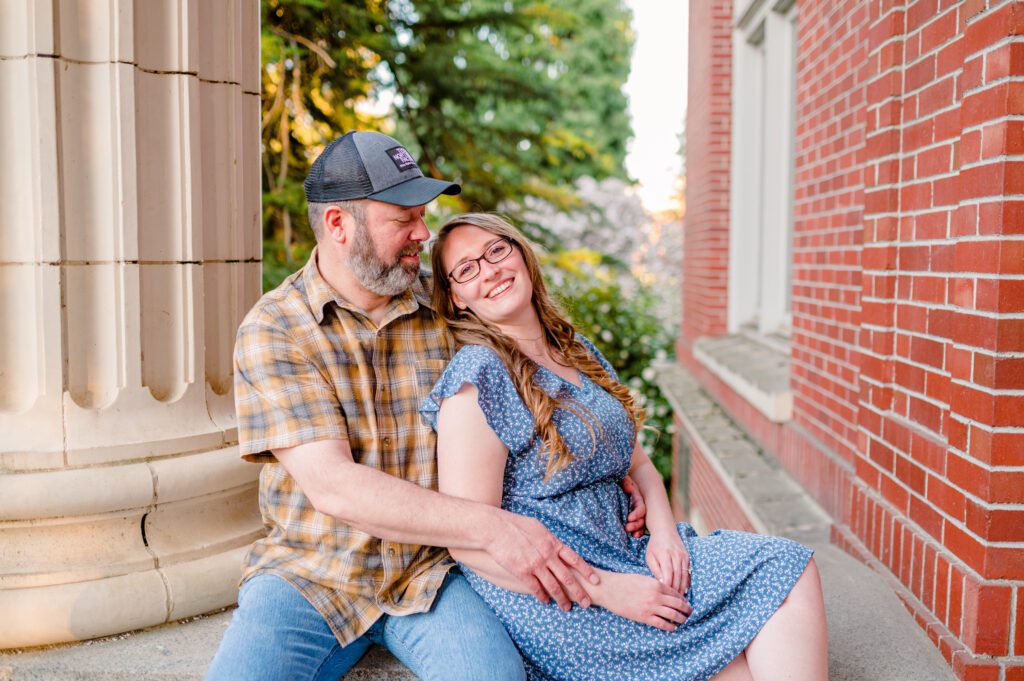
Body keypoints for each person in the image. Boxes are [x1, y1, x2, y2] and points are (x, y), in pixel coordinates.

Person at [204, 132, 649, 681]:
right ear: (341, 226)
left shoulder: (450, 305)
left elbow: (547, 384)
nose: (423, 233)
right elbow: (333, 485)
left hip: (435, 573)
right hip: (312, 573)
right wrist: (492, 528)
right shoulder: (276, 328)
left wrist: (607, 468)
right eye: (403, 219)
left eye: (423, 215)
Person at [420, 213, 830, 681]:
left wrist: (664, 532)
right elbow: (471, 541)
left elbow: (637, 460)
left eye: (496, 250)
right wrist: (609, 591)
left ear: (521, 254)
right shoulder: (479, 376)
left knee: (786, 570)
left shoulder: (574, 349)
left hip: (630, 551)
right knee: (737, 664)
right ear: (457, 299)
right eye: (467, 269)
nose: (489, 270)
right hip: (564, 595)